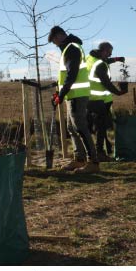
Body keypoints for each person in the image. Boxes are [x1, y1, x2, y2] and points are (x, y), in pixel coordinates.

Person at [48, 25, 98, 173]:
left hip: (77, 95)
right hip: (73, 95)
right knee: (72, 128)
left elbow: (72, 73)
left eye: (55, 42)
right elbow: (66, 75)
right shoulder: (70, 47)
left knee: (81, 128)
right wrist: (59, 92)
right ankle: (79, 159)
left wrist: (61, 94)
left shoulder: (71, 48)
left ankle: (93, 162)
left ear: (59, 36)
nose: (56, 45)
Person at [85, 42, 127, 160]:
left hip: (89, 98)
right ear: (103, 51)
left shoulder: (90, 58)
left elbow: (105, 61)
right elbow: (106, 83)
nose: (110, 55)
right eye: (109, 53)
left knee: (93, 126)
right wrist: (118, 92)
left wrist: (116, 59)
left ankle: (99, 150)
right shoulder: (100, 65)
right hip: (99, 100)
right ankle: (100, 153)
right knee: (101, 127)